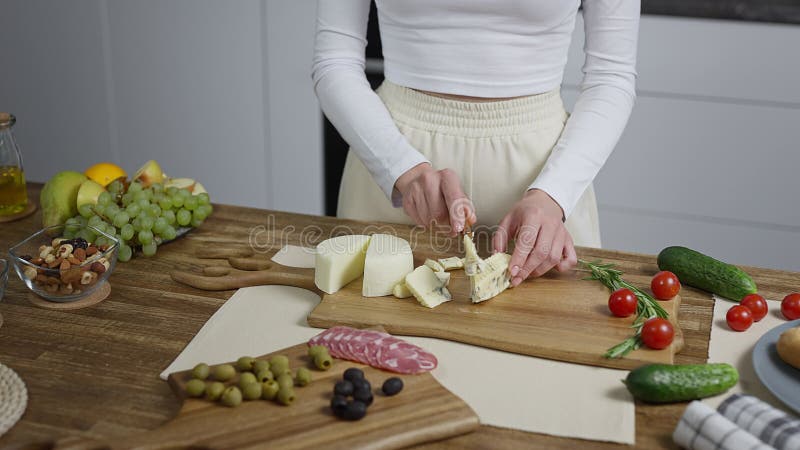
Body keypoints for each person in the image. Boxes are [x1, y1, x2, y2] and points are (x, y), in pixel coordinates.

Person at [312, 1, 639, 285]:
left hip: (546, 184)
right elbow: (335, 62)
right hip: (394, 164)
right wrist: (402, 168)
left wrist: (553, 195)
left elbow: (611, 76)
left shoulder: (552, 194)